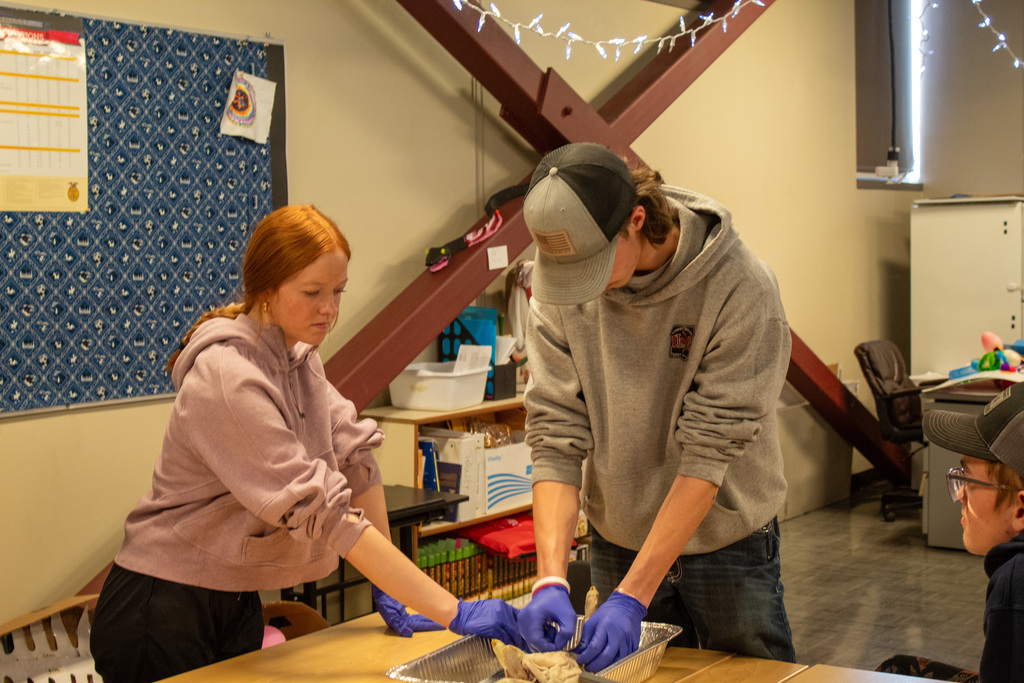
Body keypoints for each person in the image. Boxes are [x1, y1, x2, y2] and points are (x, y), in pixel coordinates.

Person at [90, 205, 523, 683]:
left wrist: (391, 582)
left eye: (337, 292)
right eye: (313, 293)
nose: (330, 310)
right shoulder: (227, 378)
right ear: (267, 290)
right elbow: (322, 510)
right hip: (163, 605)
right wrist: (451, 610)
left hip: (233, 595)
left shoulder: (298, 358)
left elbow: (354, 454)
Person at [516, 142, 795, 671]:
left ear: (636, 221)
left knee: (750, 678)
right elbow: (554, 432)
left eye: (592, 266)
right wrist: (551, 575)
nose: (582, 285)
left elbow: (708, 453)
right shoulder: (563, 276)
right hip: (617, 533)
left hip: (726, 542)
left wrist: (632, 596)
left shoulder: (740, 288)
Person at [877, 382, 1024, 682]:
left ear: (1021, 510)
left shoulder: (1015, 584)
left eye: (968, 480)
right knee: (898, 667)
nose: (959, 496)